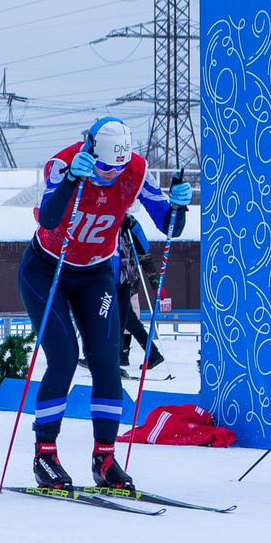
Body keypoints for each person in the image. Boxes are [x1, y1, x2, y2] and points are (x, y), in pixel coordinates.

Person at [16, 116, 189, 495]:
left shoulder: (137, 171)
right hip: (47, 268)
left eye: (119, 167)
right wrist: (74, 181)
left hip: (95, 274)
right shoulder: (63, 163)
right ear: (90, 149)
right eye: (104, 166)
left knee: (107, 364)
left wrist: (178, 207)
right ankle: (44, 452)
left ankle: (105, 458)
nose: (112, 174)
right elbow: (48, 216)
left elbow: (169, 227)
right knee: (63, 358)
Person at [113, 215, 166, 372]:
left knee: (118, 319)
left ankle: (112, 360)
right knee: (127, 320)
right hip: (106, 279)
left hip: (124, 281)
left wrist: (155, 284)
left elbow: (145, 255)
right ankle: (152, 354)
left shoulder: (129, 224)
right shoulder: (102, 219)